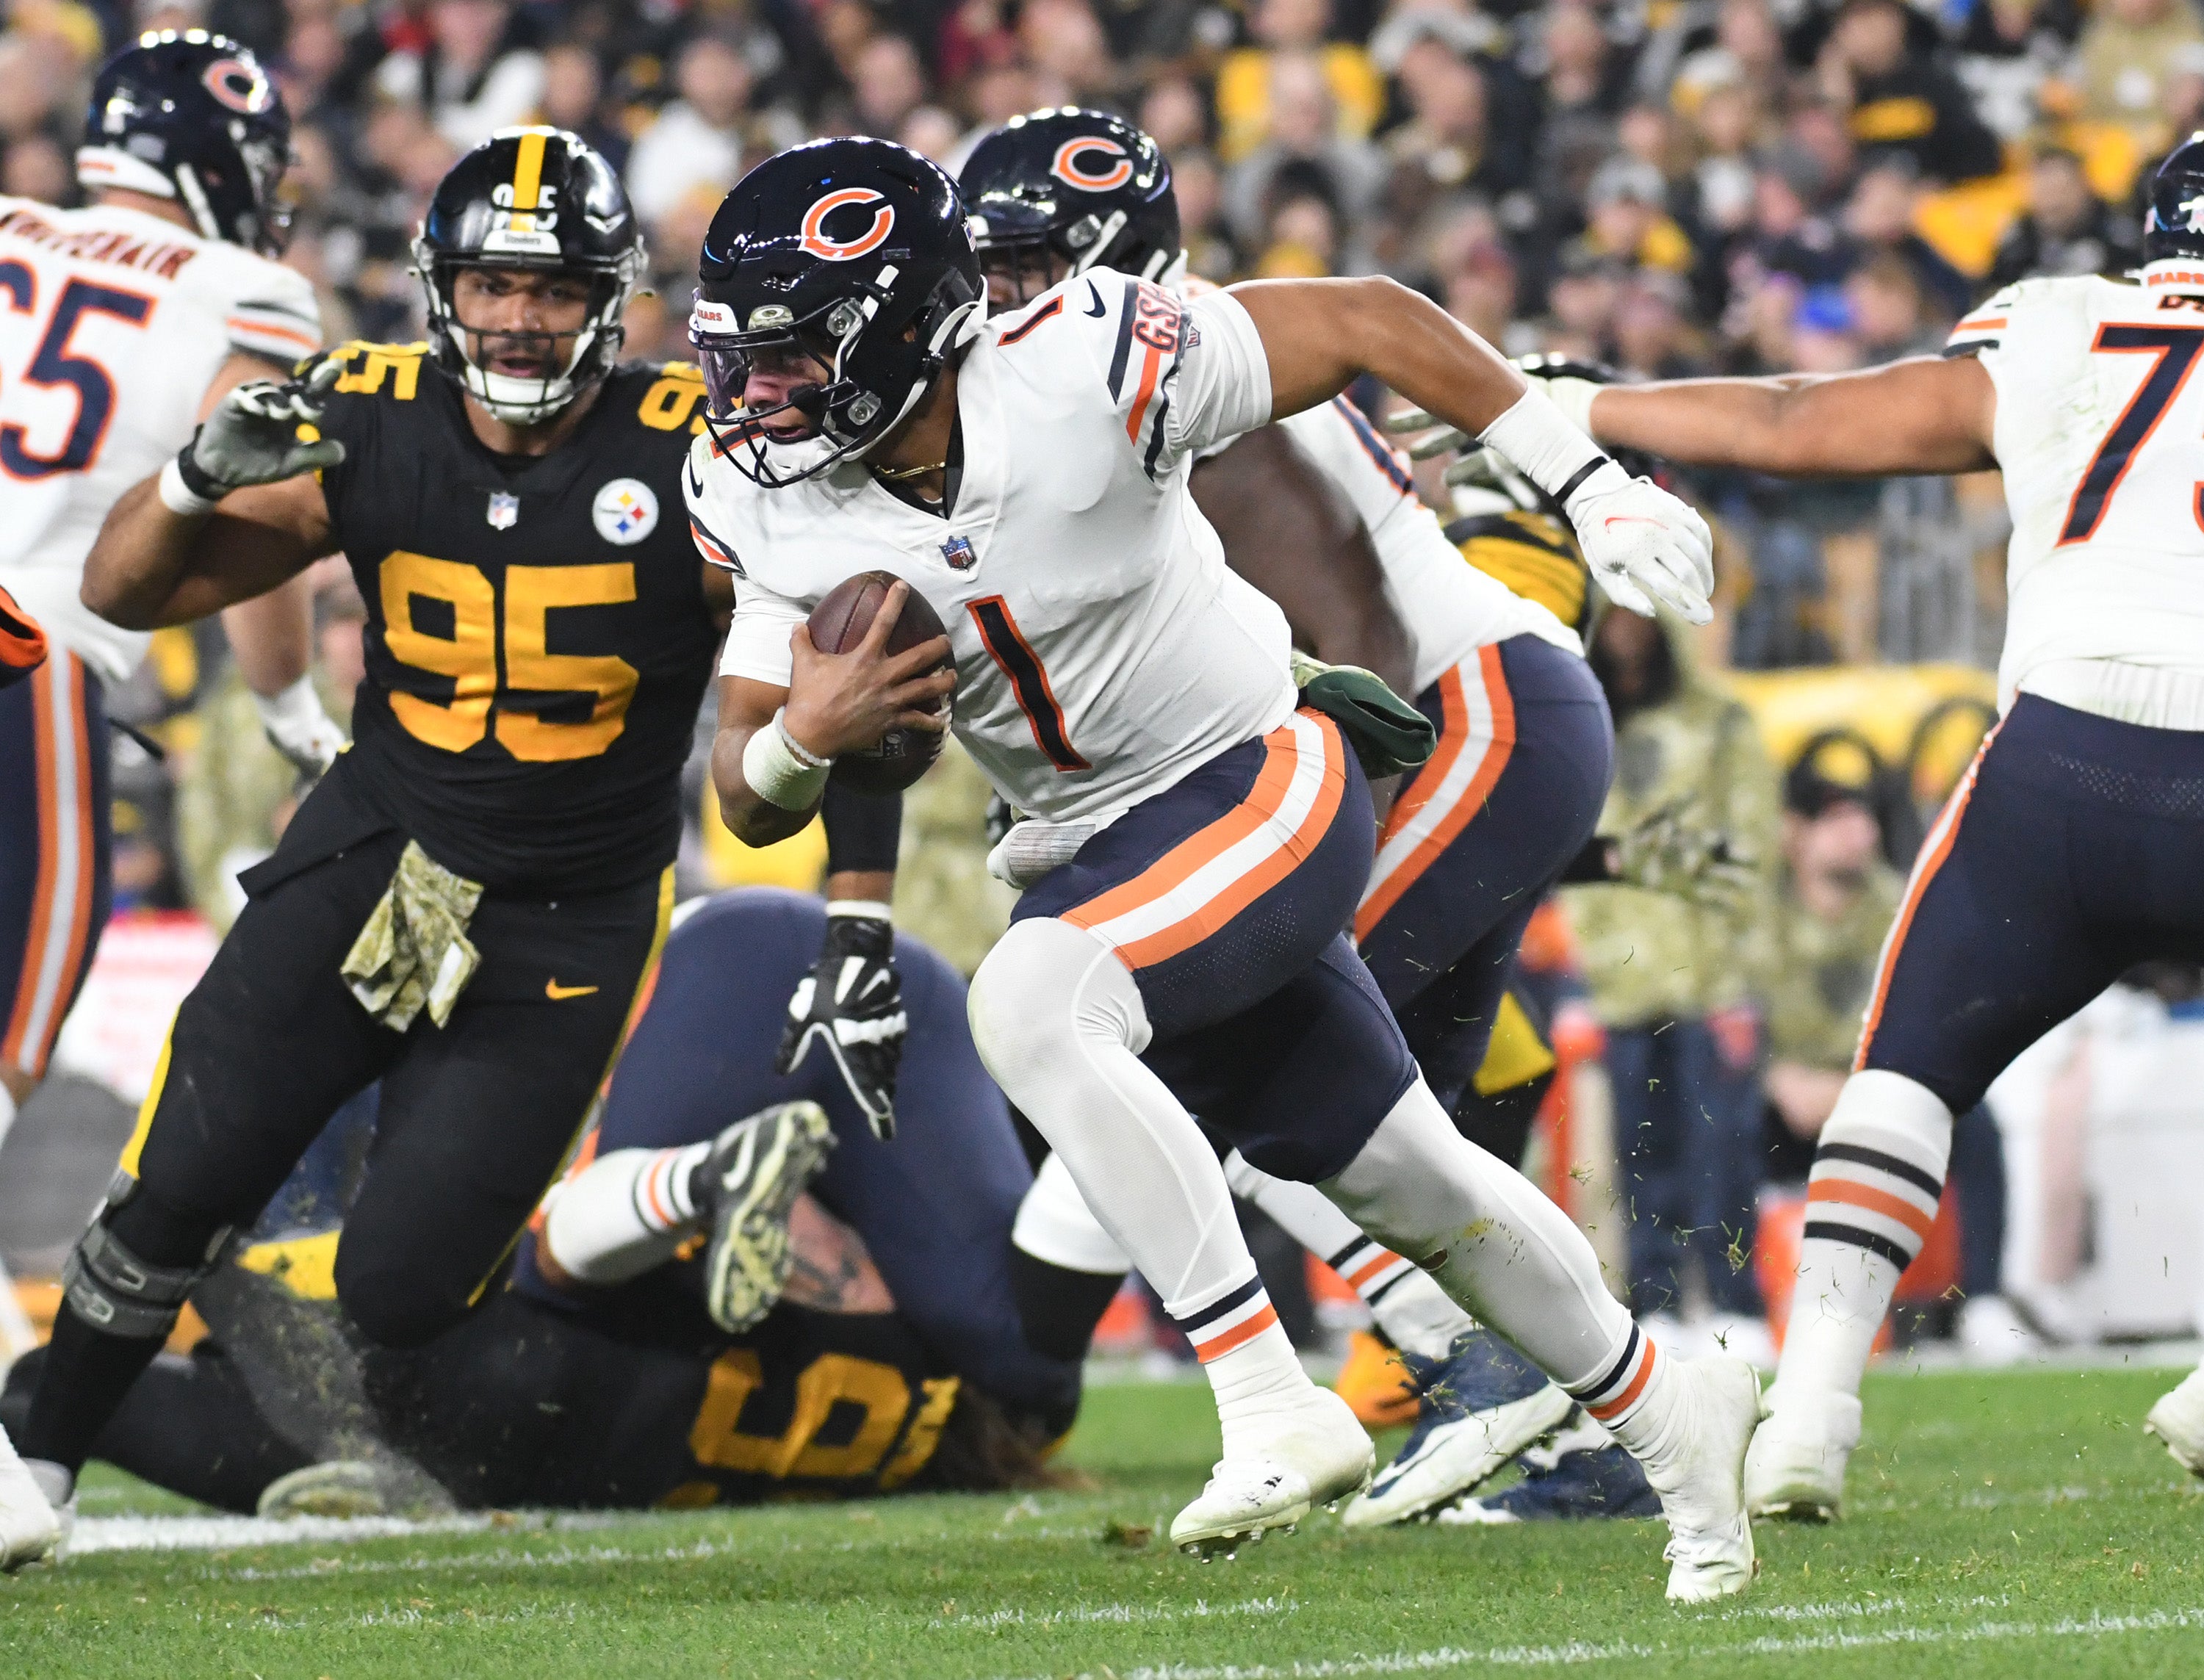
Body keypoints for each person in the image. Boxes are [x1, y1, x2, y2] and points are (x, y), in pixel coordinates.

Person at [688, 134, 1757, 1600]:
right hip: (1083, 853)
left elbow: (1372, 317)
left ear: (898, 328)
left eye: (795, 356)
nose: (761, 398)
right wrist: (805, 742)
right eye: (746, 362)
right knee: (1403, 1177)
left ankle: (1267, 1400)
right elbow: (742, 786)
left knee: (1033, 1007)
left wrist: (1589, 482)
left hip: (1258, 771)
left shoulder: (1089, 358)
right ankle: (1661, 1402)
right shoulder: (769, 496)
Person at [957, 108, 1743, 1531]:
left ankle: (1504, 1376)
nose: (990, 301)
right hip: (1472, 723)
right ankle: (1591, 1398)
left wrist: (1300, 861)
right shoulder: (1101, 375)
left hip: (1454, 714)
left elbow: (1347, 635)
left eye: (1018, 270)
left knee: (1253, 1055)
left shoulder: (1149, 370)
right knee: (1386, 1128)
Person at [0, 127, 727, 1567]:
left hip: (568, 909)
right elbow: (124, 588)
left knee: (402, 1281)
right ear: (436, 288)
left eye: (554, 287)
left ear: (613, 299)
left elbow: (820, 620)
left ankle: (574, 1319)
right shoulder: (374, 411)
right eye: (491, 283)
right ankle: (34, 1464)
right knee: (181, 1177)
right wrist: (195, 475)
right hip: (380, 848)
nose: (519, 315)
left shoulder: (696, 444)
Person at [1469, 135, 2204, 1523]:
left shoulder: (2062, 321)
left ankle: (1811, 1410)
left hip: (2063, 758)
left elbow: (1801, 418)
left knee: (1903, 1076)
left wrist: (1590, 398)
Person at [0, 889, 1078, 1514]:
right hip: (498, 1420)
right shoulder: (968, 1381)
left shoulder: (949, 1389)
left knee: (524, 1254)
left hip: (517, 1384)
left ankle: (688, 1181)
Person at [0, 30, 345, 1571]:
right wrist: (286, 710)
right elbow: (263, 496)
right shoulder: (231, 290)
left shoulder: (8, 230)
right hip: (26, 670)